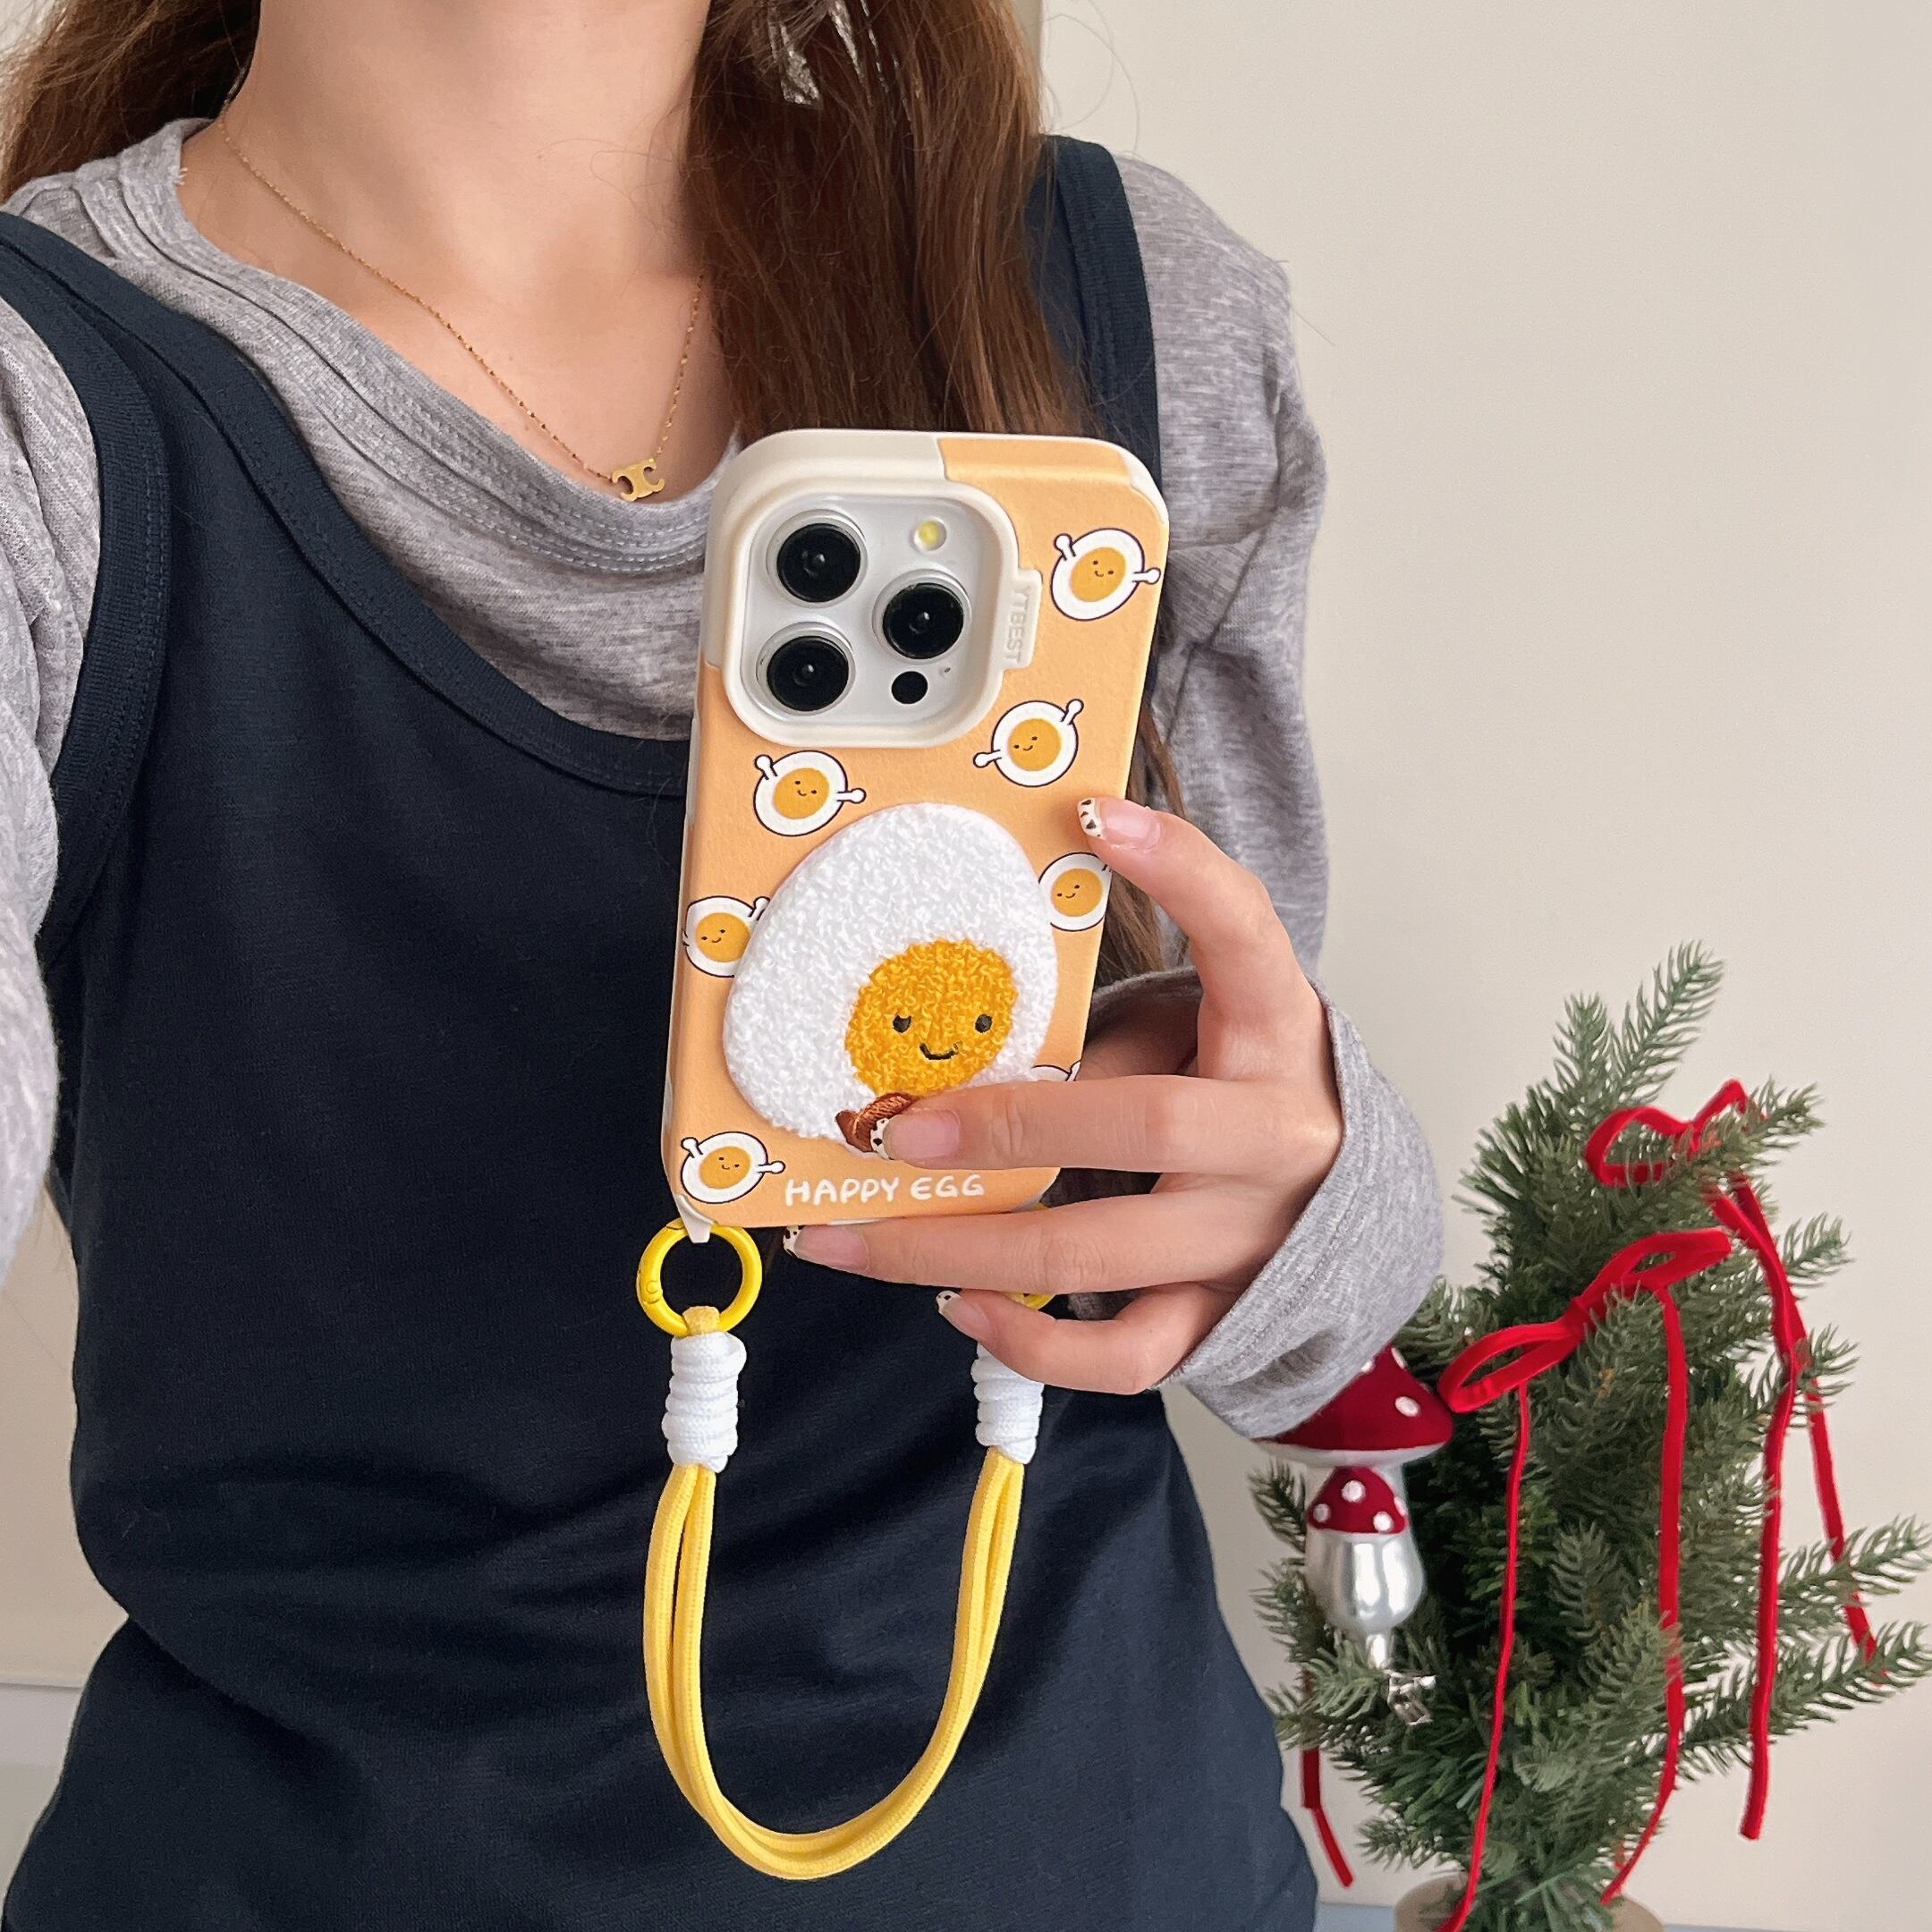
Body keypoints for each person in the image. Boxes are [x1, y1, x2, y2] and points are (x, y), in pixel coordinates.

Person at [0, 4, 1439, 1928]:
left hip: (1106, 1845)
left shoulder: (1123, 303)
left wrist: (1301, 1189)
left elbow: (1287, 1232)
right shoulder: (42, 412)